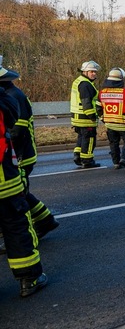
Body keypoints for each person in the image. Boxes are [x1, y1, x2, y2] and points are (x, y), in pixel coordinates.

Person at [0, 60, 59, 256]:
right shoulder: (9, 94)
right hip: (17, 156)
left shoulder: (13, 96)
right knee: (22, 195)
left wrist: (14, 157)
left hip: (21, 157)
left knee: (18, 201)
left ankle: (31, 234)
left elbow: (17, 132)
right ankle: (46, 220)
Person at [0, 74, 48, 297]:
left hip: (11, 173)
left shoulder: (14, 96)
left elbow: (17, 129)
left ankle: (47, 221)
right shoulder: (6, 99)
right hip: (4, 180)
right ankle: (30, 278)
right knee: (17, 228)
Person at [98, 68, 125, 171]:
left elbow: (98, 108)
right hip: (124, 124)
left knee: (113, 143)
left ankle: (116, 163)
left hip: (110, 124)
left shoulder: (102, 92)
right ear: (121, 80)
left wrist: (103, 119)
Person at [70, 61, 103, 168]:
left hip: (77, 117)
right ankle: (87, 161)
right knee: (89, 139)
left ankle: (78, 156)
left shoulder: (79, 81)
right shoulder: (85, 84)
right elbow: (86, 102)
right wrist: (93, 116)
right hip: (86, 118)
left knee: (82, 137)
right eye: (91, 71)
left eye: (95, 72)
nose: (94, 74)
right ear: (85, 72)